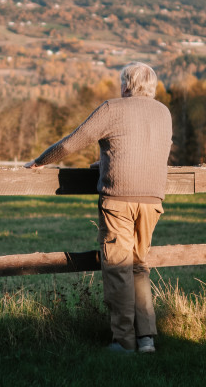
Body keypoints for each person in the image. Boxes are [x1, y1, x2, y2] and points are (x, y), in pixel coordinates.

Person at [25, 62, 172, 354]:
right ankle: (146, 338)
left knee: (117, 268)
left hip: (119, 198)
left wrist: (40, 161)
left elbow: (73, 142)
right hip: (152, 200)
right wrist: (105, 162)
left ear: (125, 85)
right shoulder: (163, 113)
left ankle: (123, 341)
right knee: (139, 266)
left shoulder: (112, 108)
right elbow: (144, 149)